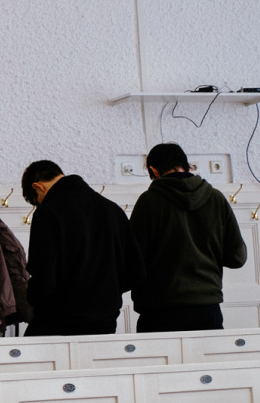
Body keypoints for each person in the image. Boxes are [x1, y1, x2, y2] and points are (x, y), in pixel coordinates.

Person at [129, 143, 247, 332]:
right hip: (207, 310)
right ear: (188, 166)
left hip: (159, 313)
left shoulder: (149, 202)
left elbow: (133, 260)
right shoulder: (215, 199)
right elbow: (237, 258)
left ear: (154, 170)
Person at [21, 160, 144, 336]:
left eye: (37, 201)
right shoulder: (113, 209)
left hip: (58, 321)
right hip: (105, 321)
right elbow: (136, 271)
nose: (40, 204)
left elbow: (43, 275)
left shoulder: (48, 212)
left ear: (37, 187)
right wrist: (106, 294)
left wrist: (36, 301)